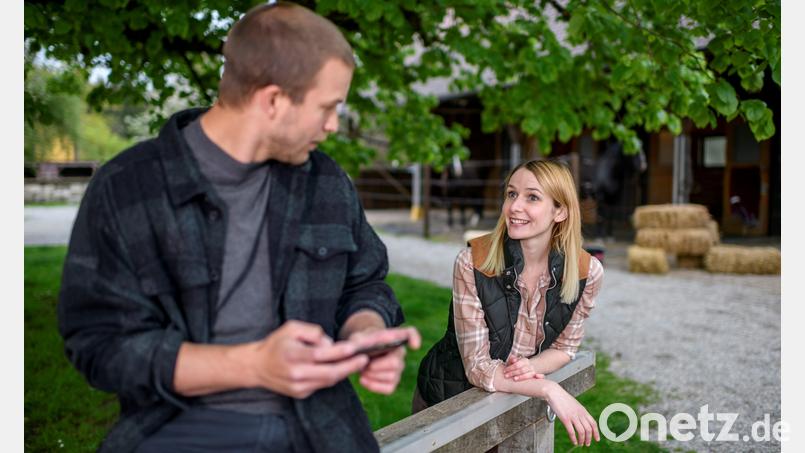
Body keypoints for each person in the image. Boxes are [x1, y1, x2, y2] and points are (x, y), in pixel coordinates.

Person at [57, 3, 420, 452]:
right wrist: (252, 366)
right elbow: (100, 345)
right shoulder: (126, 188)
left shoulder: (325, 181)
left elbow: (366, 283)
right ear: (273, 100)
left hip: (321, 426)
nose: (332, 126)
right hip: (179, 427)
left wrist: (364, 331)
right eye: (327, 108)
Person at [415, 159, 603, 447]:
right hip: (449, 405)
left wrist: (530, 365)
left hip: (514, 404)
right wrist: (548, 388)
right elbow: (477, 367)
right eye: (512, 194)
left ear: (560, 211)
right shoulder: (473, 262)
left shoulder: (585, 272)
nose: (515, 206)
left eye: (532, 197)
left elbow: (565, 348)